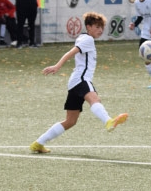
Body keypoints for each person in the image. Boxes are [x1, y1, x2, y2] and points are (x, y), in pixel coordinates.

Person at [29, 11, 128, 154]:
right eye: (97, 27)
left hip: (74, 83)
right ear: (89, 27)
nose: (100, 30)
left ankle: (38, 143)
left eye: (102, 27)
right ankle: (108, 121)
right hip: (81, 79)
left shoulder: (83, 38)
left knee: (70, 121)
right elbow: (71, 52)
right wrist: (57, 66)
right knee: (95, 100)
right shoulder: (88, 39)